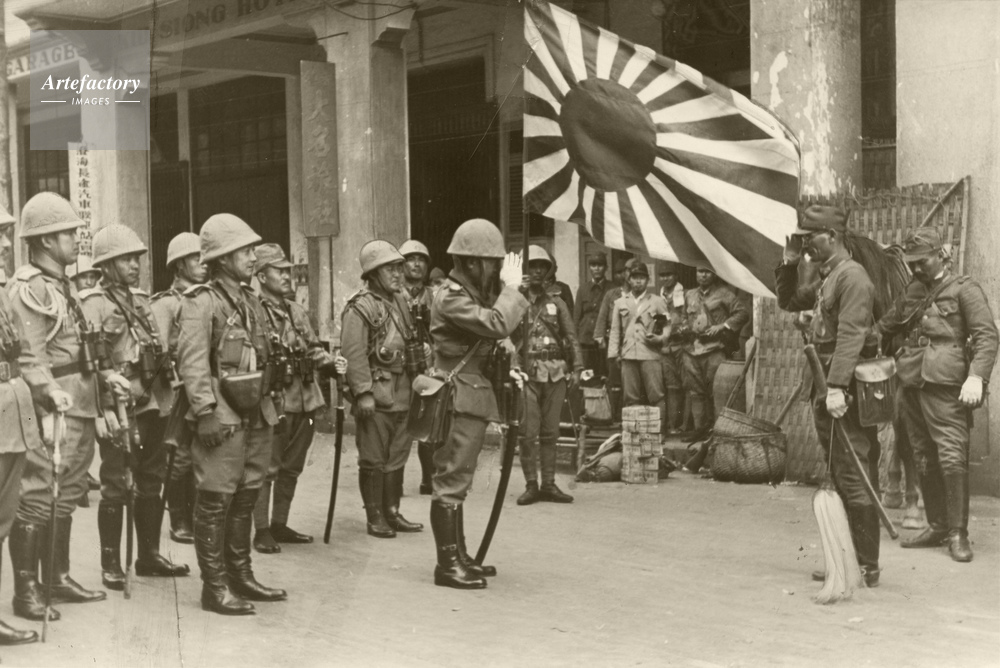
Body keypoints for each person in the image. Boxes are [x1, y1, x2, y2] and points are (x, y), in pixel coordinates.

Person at [7, 192, 121, 621]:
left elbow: (79, 348)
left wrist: (107, 379)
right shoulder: (31, 288)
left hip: (80, 404)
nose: (76, 239)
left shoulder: (64, 286)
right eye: (68, 233)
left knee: (68, 493)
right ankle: (27, 591)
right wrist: (49, 394)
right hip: (51, 409)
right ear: (45, 241)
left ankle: (57, 577)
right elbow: (29, 357)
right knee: (38, 495)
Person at [176, 213, 286, 616]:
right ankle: (215, 587)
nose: (253, 257)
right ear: (222, 258)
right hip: (221, 415)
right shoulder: (201, 302)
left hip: (256, 411)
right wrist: (205, 411)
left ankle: (240, 575)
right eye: (245, 251)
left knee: (247, 494)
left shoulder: (251, 300)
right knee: (215, 499)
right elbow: (191, 362)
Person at [774, 204, 882, 587]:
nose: (806, 245)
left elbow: (851, 336)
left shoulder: (853, 278)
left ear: (833, 236)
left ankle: (866, 566)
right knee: (841, 470)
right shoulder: (830, 276)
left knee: (853, 472)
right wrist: (789, 263)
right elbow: (789, 300)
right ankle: (849, 559)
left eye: (811, 238)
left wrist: (836, 387)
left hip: (843, 391)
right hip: (826, 387)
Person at [877, 228, 997, 562]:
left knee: (951, 453)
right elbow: (886, 325)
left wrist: (977, 377)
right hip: (911, 381)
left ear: (941, 255)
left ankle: (958, 533)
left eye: (922, 261)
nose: (916, 268)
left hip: (947, 384)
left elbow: (987, 336)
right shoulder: (913, 290)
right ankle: (937, 525)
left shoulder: (964, 289)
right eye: (911, 263)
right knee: (922, 454)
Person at [82, 225, 190, 592]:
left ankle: (148, 555)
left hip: (152, 401)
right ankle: (111, 563)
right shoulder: (94, 303)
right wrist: (104, 409)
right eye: (126, 259)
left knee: (151, 477)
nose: (135, 265)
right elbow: (92, 363)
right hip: (120, 404)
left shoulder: (142, 301)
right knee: (116, 481)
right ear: (106, 265)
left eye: (136, 259)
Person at [428, 218, 526, 589]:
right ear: (472, 262)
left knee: (459, 479)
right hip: (458, 397)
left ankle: (459, 555)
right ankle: (447, 565)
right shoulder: (452, 296)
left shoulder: (468, 294)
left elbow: (493, 337)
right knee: (451, 480)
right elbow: (497, 324)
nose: (497, 269)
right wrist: (511, 289)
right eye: (492, 263)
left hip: (470, 393)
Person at [0, 205, 71, 644]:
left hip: (15, 403)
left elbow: (24, 355)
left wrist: (44, 395)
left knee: (6, 511)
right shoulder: (23, 288)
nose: (7, 243)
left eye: (7, 234)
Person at [251, 243, 335, 553]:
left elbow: (312, 347)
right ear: (262, 276)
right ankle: (261, 530)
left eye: (288, 270)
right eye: (279, 271)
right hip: (275, 399)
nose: (287, 276)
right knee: (266, 468)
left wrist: (329, 361)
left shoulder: (295, 310)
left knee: (292, 466)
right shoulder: (253, 311)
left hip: (305, 398)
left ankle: (279, 524)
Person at [341, 240, 424, 539]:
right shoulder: (360, 307)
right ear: (373, 273)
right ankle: (375, 516)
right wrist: (363, 393)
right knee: (374, 457)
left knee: (397, 455)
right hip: (376, 394)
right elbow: (353, 353)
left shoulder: (400, 301)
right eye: (391, 269)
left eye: (400, 267)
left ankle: (392, 511)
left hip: (404, 391)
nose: (399, 274)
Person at [150, 232, 206, 544]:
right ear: (179, 265)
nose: (204, 263)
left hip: (201, 387)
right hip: (177, 390)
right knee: (179, 457)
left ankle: (196, 516)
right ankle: (178, 520)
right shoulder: (167, 303)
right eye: (196, 258)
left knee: (200, 455)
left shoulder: (205, 299)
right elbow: (157, 352)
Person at [514, 245, 582, 506]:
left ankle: (549, 484)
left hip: (554, 373)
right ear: (525, 270)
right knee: (527, 433)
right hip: (527, 374)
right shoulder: (515, 301)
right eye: (533, 266)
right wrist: (513, 366)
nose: (538, 271)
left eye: (543, 267)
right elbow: (505, 336)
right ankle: (531, 485)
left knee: (551, 432)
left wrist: (577, 368)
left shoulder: (557, 302)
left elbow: (571, 337)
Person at [680, 265, 749, 438]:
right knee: (695, 392)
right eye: (700, 271)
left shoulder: (724, 294)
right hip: (692, 350)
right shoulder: (689, 295)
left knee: (715, 392)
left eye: (707, 272)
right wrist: (684, 327)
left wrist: (722, 326)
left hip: (714, 349)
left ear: (714, 274)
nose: (703, 275)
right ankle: (699, 430)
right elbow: (684, 317)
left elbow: (742, 313)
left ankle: (717, 432)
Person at [607, 261, 670, 429]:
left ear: (647, 280)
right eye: (635, 277)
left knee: (656, 394)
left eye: (642, 278)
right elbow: (615, 330)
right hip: (628, 354)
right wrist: (613, 354)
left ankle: (659, 431)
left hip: (650, 353)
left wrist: (661, 338)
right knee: (630, 397)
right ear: (629, 280)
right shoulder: (620, 302)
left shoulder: (656, 301)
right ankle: (632, 433)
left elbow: (667, 326)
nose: (638, 281)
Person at [398, 239, 437, 496]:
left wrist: (433, 349)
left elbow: (445, 332)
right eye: (411, 259)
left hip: (428, 367)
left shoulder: (435, 296)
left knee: (429, 425)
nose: (416, 264)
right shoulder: (393, 296)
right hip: (400, 369)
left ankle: (429, 479)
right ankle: (395, 481)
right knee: (399, 425)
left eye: (421, 259)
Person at [593, 259, 631, 420]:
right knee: (614, 379)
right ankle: (614, 414)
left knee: (630, 380)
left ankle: (627, 414)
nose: (626, 275)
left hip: (631, 341)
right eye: (623, 272)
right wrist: (600, 337)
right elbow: (602, 317)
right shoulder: (611, 294)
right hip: (613, 341)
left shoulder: (639, 295)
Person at [657, 262, 686, 433]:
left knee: (687, 384)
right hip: (665, 347)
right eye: (662, 275)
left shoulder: (685, 294)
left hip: (682, 345)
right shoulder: (658, 297)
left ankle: (685, 425)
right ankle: (672, 424)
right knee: (671, 385)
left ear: (676, 276)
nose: (665, 278)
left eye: (669, 275)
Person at [574, 253, 611, 380]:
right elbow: (576, 317)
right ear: (589, 268)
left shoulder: (612, 288)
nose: (596, 268)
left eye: (600, 265)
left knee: (604, 376)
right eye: (593, 265)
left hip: (604, 341)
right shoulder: (583, 289)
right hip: (585, 340)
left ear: (606, 268)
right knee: (586, 377)